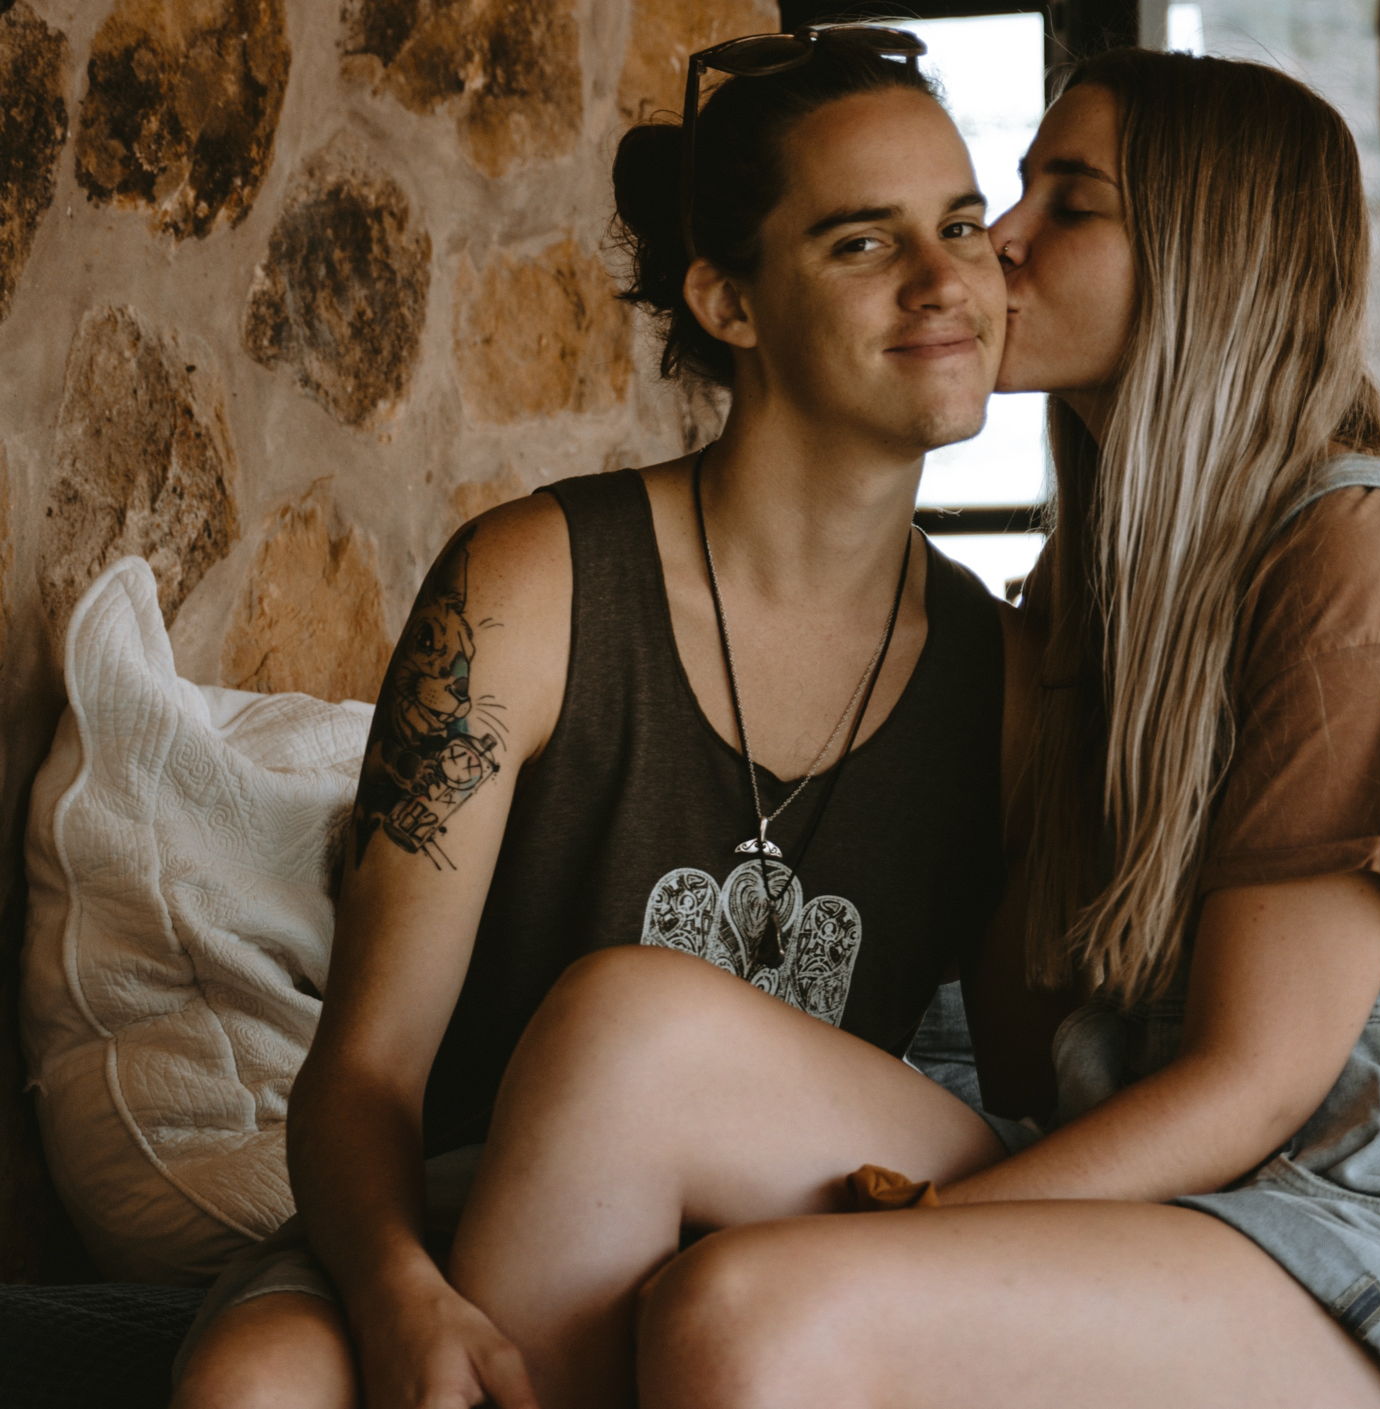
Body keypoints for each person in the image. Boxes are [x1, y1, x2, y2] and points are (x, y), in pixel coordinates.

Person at [437, 45, 1380, 1409]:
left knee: (744, 1308)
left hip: (1359, 1247)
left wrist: (915, 1237)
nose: (998, 244)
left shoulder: (1367, 559)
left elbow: (1252, 1085)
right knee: (620, 1031)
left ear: (1202, 254)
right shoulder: (1106, 579)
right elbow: (1030, 1046)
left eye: (1072, 202)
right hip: (1164, 1193)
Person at [169, 29, 1033, 1409]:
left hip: (783, 1258)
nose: (948, 282)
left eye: (966, 226)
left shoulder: (1007, 680)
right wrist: (400, 1300)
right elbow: (366, 1070)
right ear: (729, 301)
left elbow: (1024, 1107)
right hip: (460, 1218)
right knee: (256, 1384)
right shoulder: (529, 590)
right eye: (864, 244)